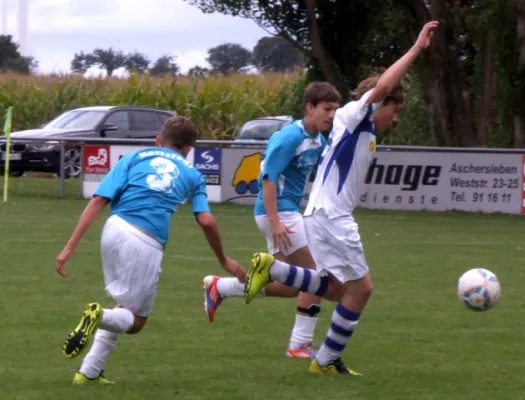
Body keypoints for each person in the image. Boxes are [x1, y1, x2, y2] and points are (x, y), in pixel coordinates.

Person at [244, 21, 440, 375]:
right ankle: (325, 360)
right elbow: (382, 85)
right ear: (377, 104)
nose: (395, 117)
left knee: (335, 289)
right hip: (332, 218)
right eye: (393, 108)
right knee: (361, 290)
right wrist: (416, 49)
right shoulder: (353, 115)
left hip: (321, 216)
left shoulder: (362, 130)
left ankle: (274, 272)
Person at [55, 116, 246, 384]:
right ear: (189, 148)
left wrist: (69, 247)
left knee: (126, 305)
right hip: (144, 242)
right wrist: (224, 259)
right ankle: (99, 316)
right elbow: (206, 220)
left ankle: (88, 373)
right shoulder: (193, 174)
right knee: (135, 321)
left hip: (113, 229)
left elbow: (99, 199)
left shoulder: (133, 158)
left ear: (159, 139)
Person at [202, 82, 341, 359]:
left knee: (291, 286)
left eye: (336, 110)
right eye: (327, 109)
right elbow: (267, 178)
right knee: (318, 277)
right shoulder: (289, 137)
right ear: (310, 108)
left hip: (285, 212)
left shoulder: (319, 139)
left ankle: (221, 287)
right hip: (279, 212)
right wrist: (276, 222)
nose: (332, 115)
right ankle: (299, 345)